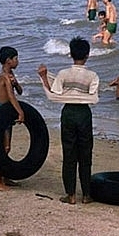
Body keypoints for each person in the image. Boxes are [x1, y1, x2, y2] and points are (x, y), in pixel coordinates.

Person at [38, 37, 99, 205]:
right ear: (87, 55)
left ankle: (70, 195)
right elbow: (93, 96)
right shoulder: (92, 75)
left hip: (68, 113)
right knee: (85, 154)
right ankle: (86, 195)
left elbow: (55, 93)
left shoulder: (63, 74)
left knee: (69, 153)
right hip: (84, 114)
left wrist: (44, 77)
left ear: (71, 54)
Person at [0, 46, 25, 191]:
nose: (18, 61)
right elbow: (11, 97)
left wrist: (16, 83)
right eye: (16, 58)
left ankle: (4, 176)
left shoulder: (10, 75)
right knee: (4, 147)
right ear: (8, 61)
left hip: (6, 112)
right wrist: (21, 112)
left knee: (7, 146)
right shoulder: (3, 77)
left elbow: (20, 92)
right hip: (1, 113)